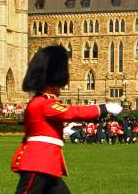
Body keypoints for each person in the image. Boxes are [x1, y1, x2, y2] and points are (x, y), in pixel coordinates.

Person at [10, 45, 122, 194]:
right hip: (38, 164)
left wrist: (64, 131)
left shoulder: (39, 102)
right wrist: (103, 108)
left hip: (48, 165)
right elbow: (70, 112)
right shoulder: (44, 103)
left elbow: (43, 130)